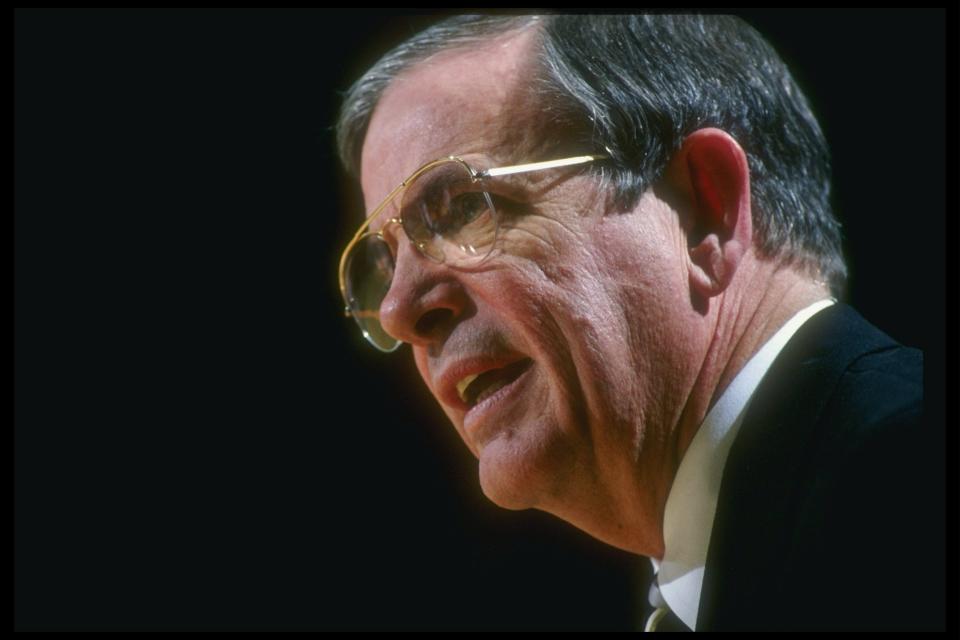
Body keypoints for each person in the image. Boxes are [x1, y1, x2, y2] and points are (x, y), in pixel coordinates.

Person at [333, 14, 943, 631]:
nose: (399, 310)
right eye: (382, 267)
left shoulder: (903, 483)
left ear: (705, 213)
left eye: (461, 207)